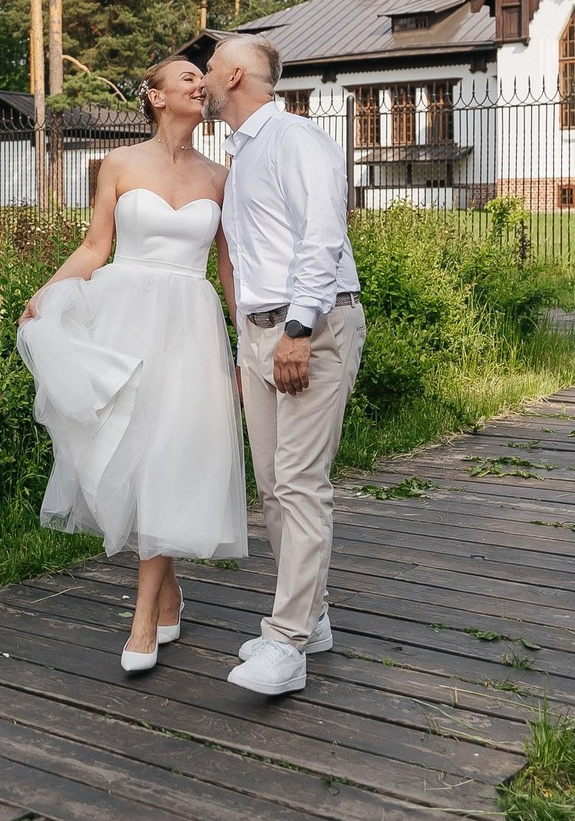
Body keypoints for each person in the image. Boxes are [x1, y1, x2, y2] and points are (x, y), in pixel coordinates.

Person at [17, 58, 248, 673]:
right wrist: (44, 294)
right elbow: (96, 246)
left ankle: (143, 620)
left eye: (202, 77)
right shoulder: (118, 163)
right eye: (186, 77)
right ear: (156, 96)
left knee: (170, 455)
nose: (199, 83)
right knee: (131, 454)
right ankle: (168, 593)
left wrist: (247, 342)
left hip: (191, 326)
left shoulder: (221, 177)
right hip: (125, 319)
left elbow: (228, 269)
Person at [203, 35, 366, 697]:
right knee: (273, 484)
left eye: (211, 68)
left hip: (312, 327)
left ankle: (288, 642)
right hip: (262, 332)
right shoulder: (243, 153)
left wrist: (297, 330)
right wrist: (253, 340)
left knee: (299, 482)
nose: (203, 78)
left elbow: (323, 237)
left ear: (235, 75)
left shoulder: (296, 139)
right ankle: (313, 617)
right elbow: (249, 256)